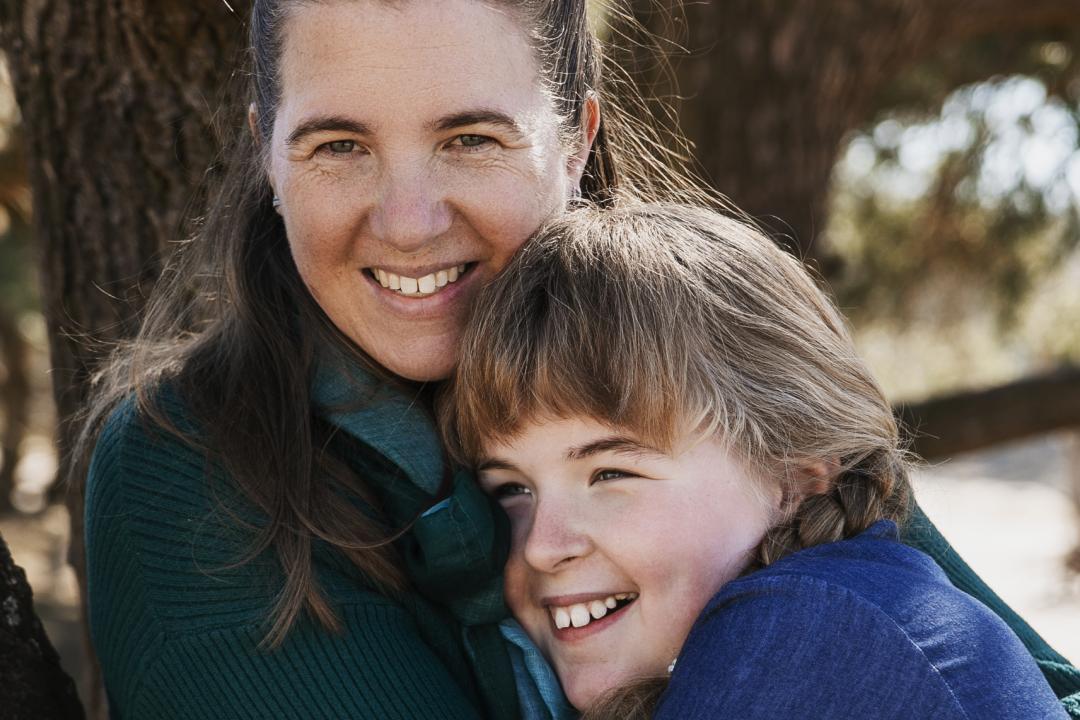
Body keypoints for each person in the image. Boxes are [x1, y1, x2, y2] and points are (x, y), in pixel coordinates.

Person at [74, 0, 1078, 718]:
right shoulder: (190, 468)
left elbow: (1017, 682)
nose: (411, 220)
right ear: (267, 156)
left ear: (578, 135)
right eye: (338, 146)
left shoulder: (695, 357)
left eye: (470, 138)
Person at [439, 201, 1070, 719]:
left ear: (796, 468)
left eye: (610, 473)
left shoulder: (810, 631)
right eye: (511, 490)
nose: (542, 548)